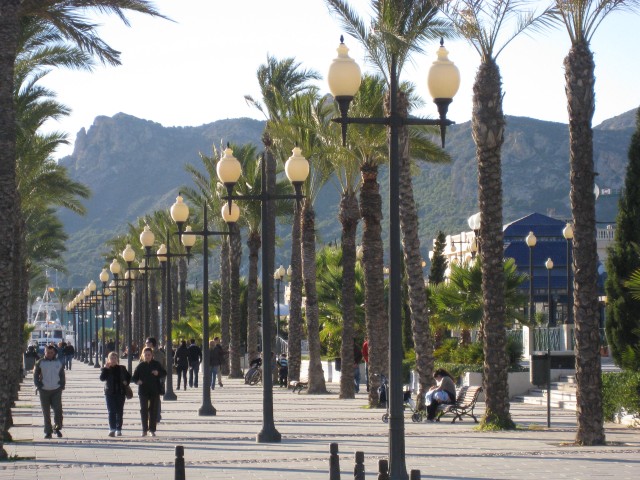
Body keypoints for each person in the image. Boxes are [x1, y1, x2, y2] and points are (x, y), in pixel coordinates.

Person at [131, 347, 166, 437]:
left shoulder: (156, 364)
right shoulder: (140, 366)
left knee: (153, 410)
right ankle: (144, 429)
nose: (147, 356)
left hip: (154, 390)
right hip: (143, 391)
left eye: (149, 355)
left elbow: (164, 373)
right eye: (145, 355)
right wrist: (137, 381)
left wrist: (157, 373)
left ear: (152, 355)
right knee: (144, 410)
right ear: (143, 355)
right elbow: (134, 377)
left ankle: (152, 429)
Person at [33, 344, 65, 439]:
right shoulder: (39, 363)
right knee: (46, 412)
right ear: (45, 352)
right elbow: (35, 375)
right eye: (48, 352)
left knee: (58, 410)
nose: (49, 354)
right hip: (44, 391)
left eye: (51, 352)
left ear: (54, 353)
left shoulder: (58, 363)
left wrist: (61, 385)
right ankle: (48, 431)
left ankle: (57, 428)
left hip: (56, 390)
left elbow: (62, 375)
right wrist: (38, 385)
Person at [100, 351, 131, 437]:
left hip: (120, 393)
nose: (113, 360)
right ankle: (112, 429)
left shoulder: (122, 368)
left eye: (115, 358)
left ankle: (118, 429)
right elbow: (102, 378)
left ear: (117, 359)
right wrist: (105, 369)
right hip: (109, 393)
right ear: (108, 360)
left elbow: (129, 377)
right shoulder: (106, 369)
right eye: (111, 358)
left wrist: (126, 382)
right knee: (111, 411)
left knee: (119, 411)